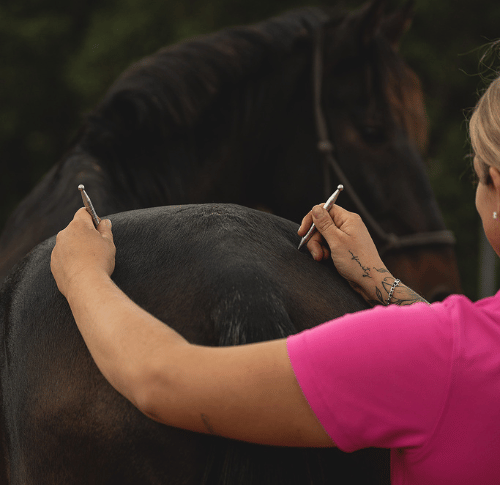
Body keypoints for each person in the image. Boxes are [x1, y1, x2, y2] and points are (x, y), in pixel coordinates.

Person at [50, 74, 500, 485]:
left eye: (477, 175)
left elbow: (160, 380)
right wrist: (377, 279)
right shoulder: (459, 352)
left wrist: (81, 273)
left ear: (496, 183)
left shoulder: (436, 352)